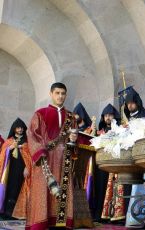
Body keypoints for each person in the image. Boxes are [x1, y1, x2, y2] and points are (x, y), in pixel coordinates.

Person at [26, 82, 78, 229]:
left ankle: (61, 223)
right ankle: (41, 223)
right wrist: (40, 151)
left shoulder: (71, 117)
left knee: (63, 190)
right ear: (51, 94)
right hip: (44, 160)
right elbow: (31, 134)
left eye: (63, 93)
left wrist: (74, 140)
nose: (60, 96)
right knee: (42, 192)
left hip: (64, 161)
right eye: (57, 93)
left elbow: (74, 139)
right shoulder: (40, 113)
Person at [0, 118, 31, 220]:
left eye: (21, 127)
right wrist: (10, 148)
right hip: (10, 171)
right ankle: (8, 212)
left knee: (19, 189)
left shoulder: (27, 142)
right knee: (10, 189)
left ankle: (18, 213)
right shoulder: (9, 141)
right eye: (18, 127)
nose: (20, 129)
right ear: (14, 129)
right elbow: (2, 155)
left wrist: (27, 167)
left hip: (22, 171)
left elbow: (30, 157)